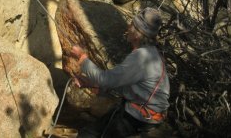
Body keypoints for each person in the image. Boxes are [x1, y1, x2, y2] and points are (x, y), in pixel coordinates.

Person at [70, 8, 170, 138]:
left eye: (132, 24)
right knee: (89, 132)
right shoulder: (150, 53)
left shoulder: (141, 57)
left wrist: (82, 58)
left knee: (88, 135)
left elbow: (105, 79)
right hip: (146, 114)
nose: (128, 26)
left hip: (140, 118)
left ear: (137, 33)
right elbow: (127, 88)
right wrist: (90, 84)